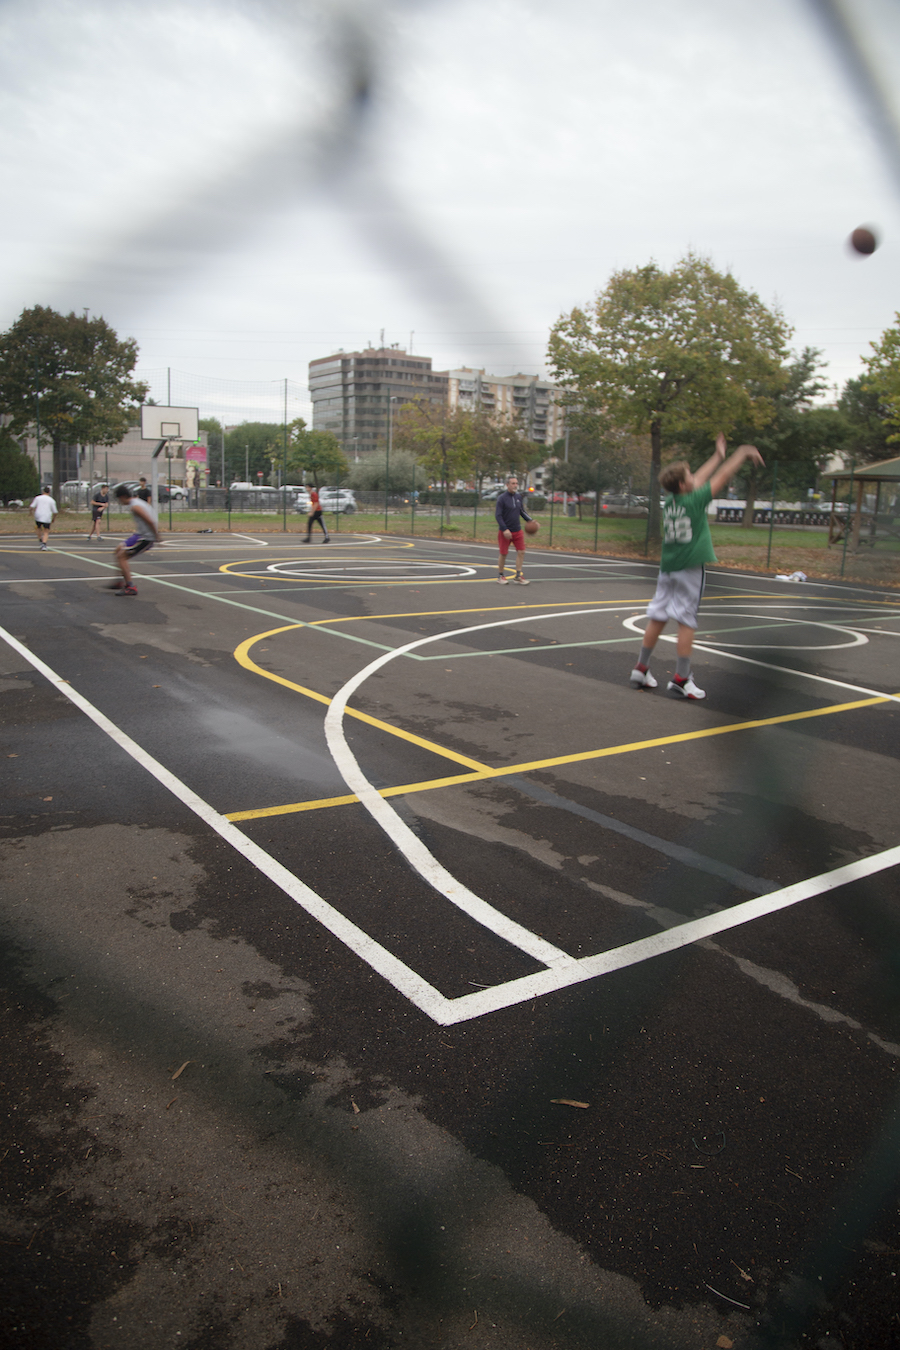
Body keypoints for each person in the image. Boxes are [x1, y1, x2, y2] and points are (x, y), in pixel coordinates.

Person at [629, 434, 765, 700]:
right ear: (683, 484)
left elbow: (699, 479)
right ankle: (681, 678)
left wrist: (717, 455)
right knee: (686, 620)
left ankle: (641, 667)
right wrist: (742, 452)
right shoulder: (695, 500)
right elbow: (723, 476)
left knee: (658, 615)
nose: (695, 478)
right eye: (689, 476)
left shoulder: (671, 501)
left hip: (667, 568)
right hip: (690, 569)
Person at [111, 484, 161, 595]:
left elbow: (149, 521)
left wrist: (157, 536)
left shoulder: (135, 507)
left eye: (119, 499)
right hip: (139, 535)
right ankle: (120, 581)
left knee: (121, 556)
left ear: (123, 496)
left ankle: (130, 587)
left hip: (146, 538)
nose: (119, 502)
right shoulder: (135, 502)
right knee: (118, 549)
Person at [495, 473, 533, 584]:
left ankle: (518, 576)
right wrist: (504, 529)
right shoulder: (502, 498)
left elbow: (521, 511)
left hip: (517, 530)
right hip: (505, 531)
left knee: (521, 551)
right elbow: (498, 515)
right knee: (503, 553)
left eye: (516, 483)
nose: (515, 485)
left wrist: (530, 521)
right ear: (507, 485)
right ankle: (500, 576)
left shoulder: (518, 497)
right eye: (513, 483)